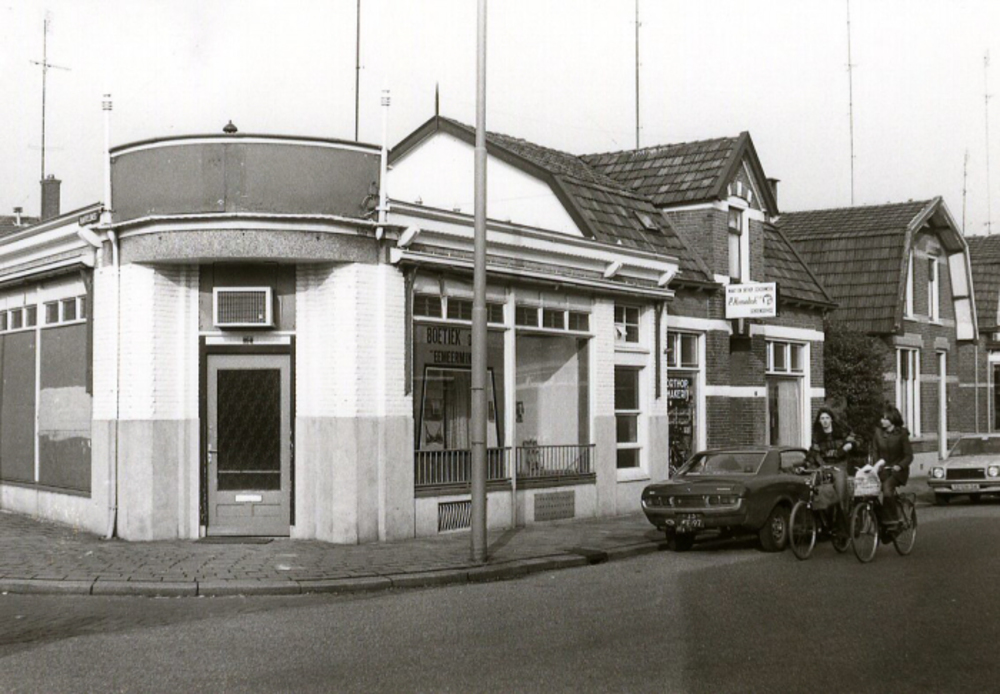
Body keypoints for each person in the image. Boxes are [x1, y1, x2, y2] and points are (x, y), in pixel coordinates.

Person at [808, 407, 857, 521]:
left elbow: (855, 439)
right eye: (822, 418)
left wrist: (850, 445)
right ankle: (822, 519)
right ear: (819, 421)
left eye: (827, 418)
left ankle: (842, 519)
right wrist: (807, 464)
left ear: (831, 419)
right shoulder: (817, 435)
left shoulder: (841, 431)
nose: (825, 421)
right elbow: (814, 452)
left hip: (840, 465)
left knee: (840, 491)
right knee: (814, 489)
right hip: (824, 466)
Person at [871, 404, 913, 527]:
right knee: (867, 490)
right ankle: (876, 517)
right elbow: (875, 452)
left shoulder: (902, 434)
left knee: (887, 487)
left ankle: (892, 519)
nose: (882, 421)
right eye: (882, 418)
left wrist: (900, 466)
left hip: (897, 471)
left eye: (885, 418)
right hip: (882, 470)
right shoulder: (878, 433)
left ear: (893, 419)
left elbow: (909, 456)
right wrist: (875, 465)